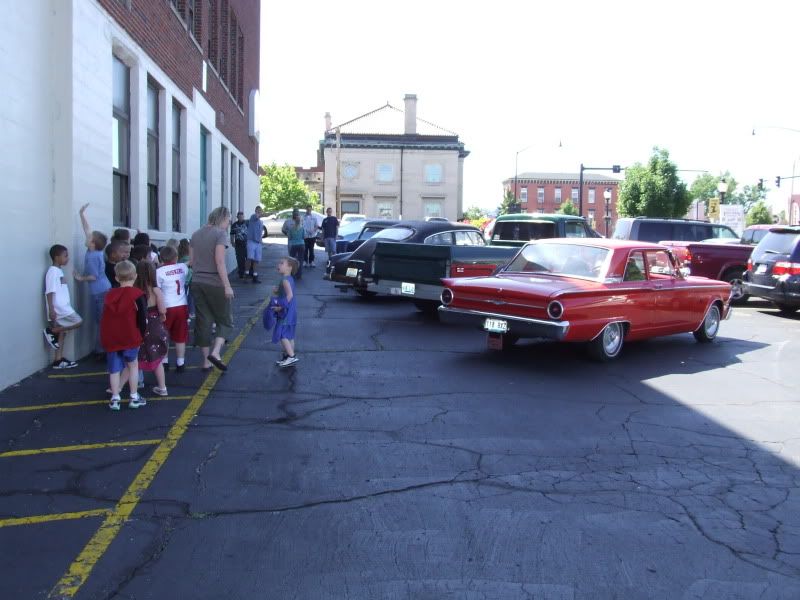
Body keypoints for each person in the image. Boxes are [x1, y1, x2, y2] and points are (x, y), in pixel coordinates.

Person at [190, 206, 234, 371]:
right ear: (222, 218)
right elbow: (220, 262)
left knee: (204, 321)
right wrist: (227, 285)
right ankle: (215, 353)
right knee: (225, 320)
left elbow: (192, 261)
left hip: (197, 282)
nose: (228, 224)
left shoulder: (195, 234)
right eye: (228, 220)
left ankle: (205, 361)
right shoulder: (220, 234)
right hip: (215, 282)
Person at [100, 260, 147, 410]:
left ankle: (115, 398)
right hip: (131, 335)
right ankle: (133, 396)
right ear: (135, 276)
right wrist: (143, 333)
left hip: (112, 337)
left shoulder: (109, 296)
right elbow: (142, 318)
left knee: (114, 369)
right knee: (133, 366)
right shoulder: (138, 295)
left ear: (116, 277)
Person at [73, 203, 112, 359]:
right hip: (103, 289)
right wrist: (82, 214)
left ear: (93, 243)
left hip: (100, 291)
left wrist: (80, 278)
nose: (86, 237)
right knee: (102, 319)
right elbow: (88, 230)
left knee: (101, 320)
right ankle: (102, 347)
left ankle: (102, 349)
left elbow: (93, 276)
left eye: (89, 238)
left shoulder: (93, 257)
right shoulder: (94, 250)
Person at [43, 245, 83, 369]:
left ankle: (58, 359)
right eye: (65, 256)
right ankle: (52, 331)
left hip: (64, 306)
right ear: (56, 257)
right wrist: (51, 309)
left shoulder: (59, 271)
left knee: (64, 331)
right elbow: (49, 291)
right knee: (79, 322)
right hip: (60, 308)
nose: (68, 258)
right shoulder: (52, 271)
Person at [135, 261, 169, 396]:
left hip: (139, 326)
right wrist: (162, 317)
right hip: (154, 325)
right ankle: (162, 387)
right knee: (157, 358)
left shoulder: (135, 290)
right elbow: (162, 309)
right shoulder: (155, 290)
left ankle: (136, 383)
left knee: (136, 357)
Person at [156, 245, 189, 373]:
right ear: (176, 257)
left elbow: (157, 289)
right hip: (181, 305)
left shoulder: (159, 272)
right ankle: (180, 362)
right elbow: (185, 265)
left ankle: (164, 361)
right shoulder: (182, 267)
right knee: (181, 335)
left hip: (167, 306)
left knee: (165, 334)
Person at [270, 256, 299, 367]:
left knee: (282, 334)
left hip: (286, 312)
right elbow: (286, 293)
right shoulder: (288, 279)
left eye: (282, 263)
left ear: (289, 267)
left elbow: (289, 296)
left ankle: (291, 357)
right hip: (292, 312)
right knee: (290, 335)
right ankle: (288, 355)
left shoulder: (285, 280)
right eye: (279, 262)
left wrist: (280, 307)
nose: (279, 265)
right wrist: (277, 291)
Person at [245, 206, 264, 283]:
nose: (259, 212)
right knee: (250, 258)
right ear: (255, 211)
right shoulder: (253, 217)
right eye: (258, 211)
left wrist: (261, 241)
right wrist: (259, 213)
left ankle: (255, 276)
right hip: (251, 241)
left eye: (260, 211)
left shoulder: (261, 222)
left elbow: (260, 233)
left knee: (256, 260)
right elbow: (257, 216)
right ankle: (246, 274)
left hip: (258, 243)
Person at [285, 212, 305, 280]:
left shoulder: (291, 229)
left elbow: (289, 237)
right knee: (300, 260)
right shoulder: (302, 228)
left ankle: (292, 274)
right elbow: (303, 237)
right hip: (301, 245)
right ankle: (299, 275)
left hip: (293, 245)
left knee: (292, 260)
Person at [178, 238, 194, 319]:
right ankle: (190, 312)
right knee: (190, 296)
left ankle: (188, 312)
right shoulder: (189, 258)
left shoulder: (179, 258)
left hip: (181, 280)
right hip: (189, 279)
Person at [230, 211, 248, 279]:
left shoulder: (247, 223)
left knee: (248, 258)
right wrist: (232, 242)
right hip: (238, 244)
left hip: (246, 244)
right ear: (237, 217)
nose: (241, 218)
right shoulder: (234, 225)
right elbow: (232, 234)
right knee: (240, 259)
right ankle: (241, 272)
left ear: (243, 217)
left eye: (242, 216)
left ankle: (249, 272)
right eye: (239, 217)